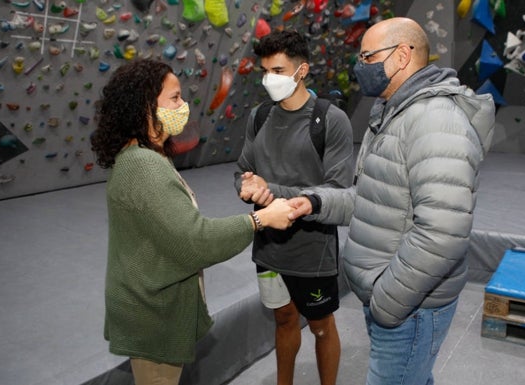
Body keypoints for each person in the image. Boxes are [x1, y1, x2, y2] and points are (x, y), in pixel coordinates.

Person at [287, 18, 495, 385]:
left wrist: (386, 301)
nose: (359, 66)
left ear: (401, 56)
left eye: (367, 56)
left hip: (409, 308)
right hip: (400, 301)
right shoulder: (396, 113)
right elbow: (375, 200)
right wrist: (315, 203)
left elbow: (444, 232)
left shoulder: (433, 119)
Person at [90, 59, 294, 385]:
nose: (183, 106)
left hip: (152, 304)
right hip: (153, 315)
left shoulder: (144, 156)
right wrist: (260, 220)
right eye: (174, 98)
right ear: (144, 106)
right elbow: (194, 242)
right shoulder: (143, 165)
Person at [234, 30, 354, 385]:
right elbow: (243, 169)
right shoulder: (258, 116)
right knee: (284, 319)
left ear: (302, 70)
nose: (270, 78)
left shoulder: (331, 120)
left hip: (312, 252)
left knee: (320, 327)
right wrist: (245, 186)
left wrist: (270, 190)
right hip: (268, 246)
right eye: (265, 70)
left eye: (279, 70)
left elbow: (337, 193)